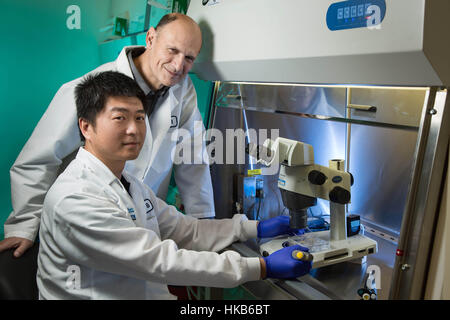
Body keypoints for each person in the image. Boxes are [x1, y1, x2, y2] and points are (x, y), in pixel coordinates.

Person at [36, 71, 311, 299]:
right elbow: (159, 260)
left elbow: (184, 229)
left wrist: (252, 228)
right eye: (119, 118)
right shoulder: (76, 197)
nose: (134, 129)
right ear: (86, 127)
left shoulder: (128, 183)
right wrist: (261, 267)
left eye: (140, 118)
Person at [1, 13, 215, 258]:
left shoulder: (182, 91)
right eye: (172, 50)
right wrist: (24, 226)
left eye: (189, 58)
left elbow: (192, 157)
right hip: (88, 218)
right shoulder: (91, 88)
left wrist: (203, 222)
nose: (178, 66)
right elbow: (39, 157)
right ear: (150, 37)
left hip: (141, 223)